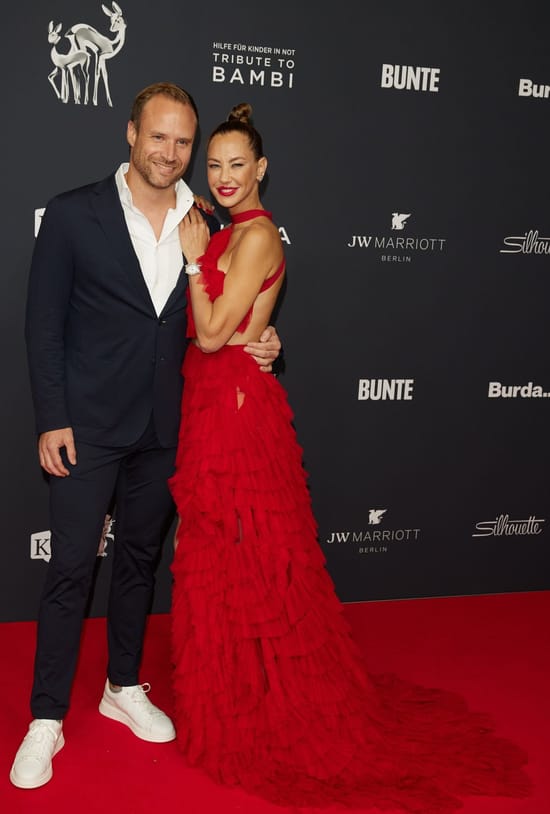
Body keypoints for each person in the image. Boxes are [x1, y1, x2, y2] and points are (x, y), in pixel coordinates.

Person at [168, 103, 532, 810]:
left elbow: (212, 334)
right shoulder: (226, 230)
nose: (225, 176)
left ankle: (265, 702)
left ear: (262, 168)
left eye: (237, 164)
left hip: (236, 413)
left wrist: (191, 264)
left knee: (248, 559)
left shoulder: (258, 237)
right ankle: (237, 689)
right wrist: (230, 298)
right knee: (221, 557)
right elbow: (231, 330)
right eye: (214, 165)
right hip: (214, 404)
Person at [10, 83, 281, 790]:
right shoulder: (73, 214)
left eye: (183, 142)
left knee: (137, 561)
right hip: (88, 426)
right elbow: (43, 326)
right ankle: (46, 717)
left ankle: (122, 686)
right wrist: (51, 417)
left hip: (169, 423)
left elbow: (226, 311)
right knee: (72, 569)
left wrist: (264, 337)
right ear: (131, 134)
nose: (171, 153)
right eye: (158, 137)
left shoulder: (208, 221)